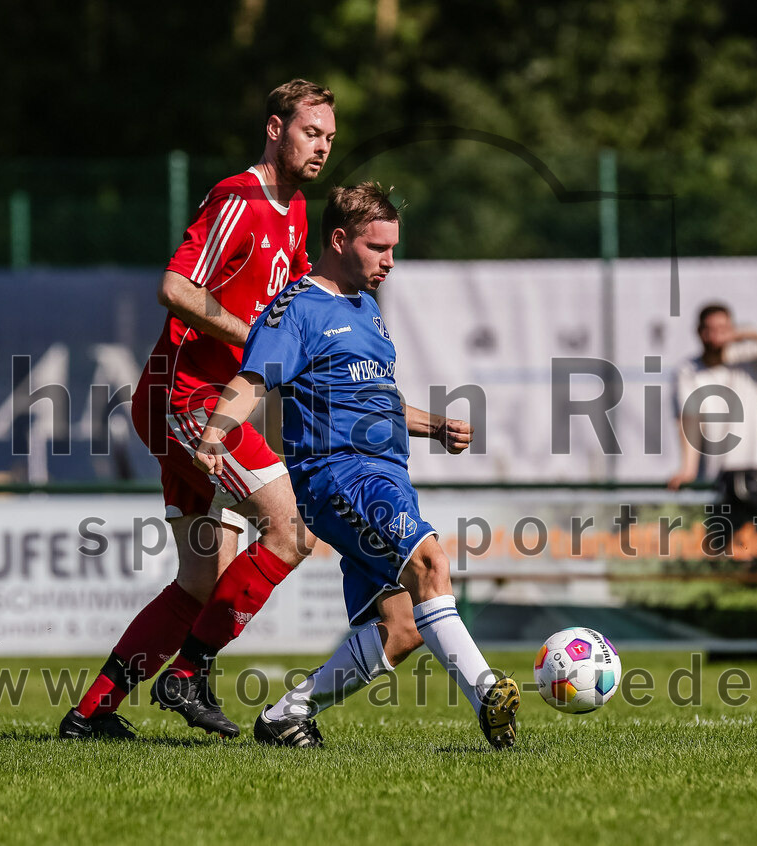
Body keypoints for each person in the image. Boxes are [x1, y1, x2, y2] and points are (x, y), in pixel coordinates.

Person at [192, 183, 521, 750]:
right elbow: (253, 379)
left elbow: (372, 397)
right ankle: (488, 694)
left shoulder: (365, 307)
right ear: (339, 240)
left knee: (403, 628)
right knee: (430, 564)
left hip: (386, 474)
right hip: (340, 475)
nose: (389, 261)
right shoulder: (297, 309)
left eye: (394, 249)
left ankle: (286, 716)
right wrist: (217, 432)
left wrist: (434, 425)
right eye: (378, 248)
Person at [59, 79, 335, 741]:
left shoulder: (294, 207)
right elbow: (174, 287)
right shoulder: (240, 196)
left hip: (198, 403)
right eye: (310, 132)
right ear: (275, 128)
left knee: (200, 581)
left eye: (328, 137)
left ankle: (90, 713)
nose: (321, 147)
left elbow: (292, 301)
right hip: (188, 399)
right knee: (291, 529)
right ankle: (188, 673)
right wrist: (252, 340)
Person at [668, 302, 757, 550]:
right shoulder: (689, 371)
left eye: (724, 328)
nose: (717, 335)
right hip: (720, 476)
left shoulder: (747, 359)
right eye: (710, 329)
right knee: (721, 553)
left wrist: (752, 333)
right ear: (700, 332)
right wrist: (687, 469)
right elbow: (689, 421)